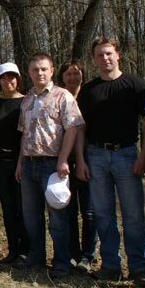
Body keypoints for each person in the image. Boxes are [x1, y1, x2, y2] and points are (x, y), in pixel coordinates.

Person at [76, 37, 145, 286]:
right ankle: (110, 265)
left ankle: (138, 268)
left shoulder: (135, 86)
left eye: (109, 53)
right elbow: (80, 128)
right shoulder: (89, 90)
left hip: (127, 155)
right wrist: (80, 159)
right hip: (96, 155)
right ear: (94, 59)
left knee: (133, 214)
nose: (105, 59)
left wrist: (144, 156)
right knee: (102, 214)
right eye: (100, 55)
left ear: (118, 55)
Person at [14, 53, 84, 279]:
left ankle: (62, 261)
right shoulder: (27, 100)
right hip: (29, 163)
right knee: (31, 216)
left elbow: (73, 127)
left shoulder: (62, 96)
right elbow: (24, 134)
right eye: (35, 70)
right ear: (29, 73)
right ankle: (36, 257)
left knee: (58, 217)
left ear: (52, 70)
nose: (39, 73)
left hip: (52, 165)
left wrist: (63, 159)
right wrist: (20, 163)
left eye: (43, 69)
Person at [57, 59, 96, 273]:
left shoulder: (89, 95)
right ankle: (72, 252)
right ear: (62, 77)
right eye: (68, 74)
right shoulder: (59, 97)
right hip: (64, 160)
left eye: (76, 73)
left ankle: (87, 255)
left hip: (88, 158)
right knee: (68, 210)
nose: (72, 77)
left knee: (89, 211)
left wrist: (81, 159)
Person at [0, 62, 30, 265]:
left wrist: (21, 163)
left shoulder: (26, 101)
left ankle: (26, 250)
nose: (8, 81)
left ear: (18, 79)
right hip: (0, 161)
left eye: (12, 77)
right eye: (4, 78)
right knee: (7, 207)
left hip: (20, 161)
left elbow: (26, 135)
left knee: (21, 207)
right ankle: (12, 249)